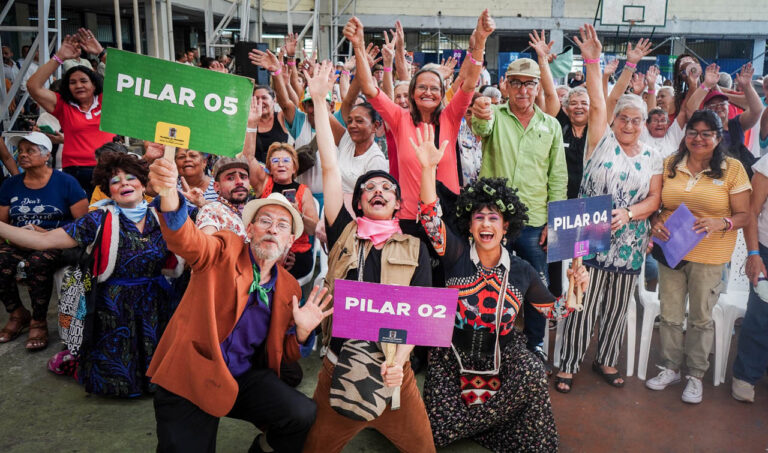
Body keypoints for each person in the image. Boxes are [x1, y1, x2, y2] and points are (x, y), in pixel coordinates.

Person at [414, 124, 588, 451]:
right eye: (478, 218)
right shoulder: (454, 255)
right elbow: (430, 219)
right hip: (452, 360)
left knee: (534, 376)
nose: (485, 224)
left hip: (501, 357)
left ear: (506, 226)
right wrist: (427, 169)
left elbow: (554, 312)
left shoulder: (522, 270)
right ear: (469, 225)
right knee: (431, 437)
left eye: (493, 218)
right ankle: (485, 421)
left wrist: (574, 291)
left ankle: (484, 422)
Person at [146, 156, 330, 453]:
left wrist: (304, 333)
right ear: (250, 229)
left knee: (302, 415)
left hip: (240, 376)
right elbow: (189, 241)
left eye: (282, 225)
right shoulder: (225, 248)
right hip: (191, 374)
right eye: (265, 221)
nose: (272, 229)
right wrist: (169, 194)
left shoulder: (290, 286)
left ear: (290, 240)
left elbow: (288, 351)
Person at [299, 60, 435, 453]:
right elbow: (328, 164)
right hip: (338, 367)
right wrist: (321, 102)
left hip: (395, 373)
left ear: (396, 205)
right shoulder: (343, 231)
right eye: (369, 187)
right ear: (358, 201)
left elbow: (420, 312)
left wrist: (400, 361)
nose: (378, 190)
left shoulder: (415, 247)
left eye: (387, 189)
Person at [0, 149, 185, 395]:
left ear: (143, 184)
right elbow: (44, 241)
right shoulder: (97, 219)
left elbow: (196, 226)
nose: (124, 184)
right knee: (117, 363)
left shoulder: (164, 213)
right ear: (109, 191)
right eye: (115, 181)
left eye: (131, 178)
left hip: (158, 301)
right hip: (113, 305)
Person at [555, 27, 663, 393]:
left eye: (637, 120)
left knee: (617, 307)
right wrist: (592, 60)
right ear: (614, 121)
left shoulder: (653, 156)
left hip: (630, 240)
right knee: (580, 299)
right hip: (587, 231)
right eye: (624, 119)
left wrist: (631, 214)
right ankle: (568, 362)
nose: (629, 125)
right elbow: (599, 100)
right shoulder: (600, 141)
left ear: (645, 125)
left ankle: (606, 359)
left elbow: (654, 199)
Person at [344, 11, 494, 230]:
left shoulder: (450, 118)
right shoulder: (398, 118)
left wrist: (480, 41)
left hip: (447, 218)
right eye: (422, 87)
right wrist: (358, 46)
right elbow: (369, 88)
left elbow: (469, 83)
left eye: (434, 88)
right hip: (409, 218)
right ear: (413, 92)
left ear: (442, 94)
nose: (428, 92)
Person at [471, 29, 565, 367]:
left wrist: (554, 222)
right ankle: (493, 343)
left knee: (536, 287)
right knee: (490, 285)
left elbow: (558, 177)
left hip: (535, 222)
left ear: (538, 88)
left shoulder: (551, 126)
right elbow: (479, 127)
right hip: (493, 221)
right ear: (506, 86)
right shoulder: (494, 116)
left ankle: (536, 343)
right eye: (517, 83)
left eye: (530, 84)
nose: (523, 90)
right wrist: (481, 109)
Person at [647, 109, 751, 404]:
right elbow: (656, 203)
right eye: (693, 132)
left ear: (719, 138)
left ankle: (695, 375)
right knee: (669, 314)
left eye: (707, 133)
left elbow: (745, 215)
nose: (698, 138)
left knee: (701, 318)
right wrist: (654, 221)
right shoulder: (670, 164)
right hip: (670, 250)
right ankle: (669, 368)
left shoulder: (732, 169)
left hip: (710, 255)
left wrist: (722, 222)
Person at [0, 132, 87, 350]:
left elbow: (84, 223)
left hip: (53, 242)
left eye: (30, 150)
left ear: (47, 154)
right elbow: (2, 223)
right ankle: (17, 314)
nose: (23, 155)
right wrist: (17, 237)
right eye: (20, 151)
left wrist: (45, 233)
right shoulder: (10, 185)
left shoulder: (66, 182)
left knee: (38, 262)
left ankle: (38, 321)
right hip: (18, 241)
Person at [26, 30, 112, 196]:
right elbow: (33, 86)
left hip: (108, 169)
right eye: (72, 82)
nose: (78, 85)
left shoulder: (106, 100)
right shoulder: (64, 106)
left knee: (107, 216)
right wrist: (59, 57)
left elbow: (127, 77)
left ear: (94, 84)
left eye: (83, 81)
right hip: (75, 172)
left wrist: (101, 53)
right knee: (78, 218)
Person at [251, 142, 319, 280]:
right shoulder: (263, 183)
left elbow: (314, 229)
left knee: (277, 273)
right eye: (275, 161)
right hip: (265, 246)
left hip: (295, 252)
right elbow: (248, 157)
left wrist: (298, 214)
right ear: (269, 167)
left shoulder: (303, 192)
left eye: (286, 160)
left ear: (294, 168)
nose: (281, 164)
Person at [731, 153, 768, 403]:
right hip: (765, 247)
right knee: (760, 315)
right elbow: (752, 211)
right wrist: (754, 253)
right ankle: (746, 376)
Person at [685, 63, 763, 178]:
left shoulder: (736, 124)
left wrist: (747, 86)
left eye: (722, 103)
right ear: (706, 110)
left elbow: (756, 110)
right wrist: (706, 84)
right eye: (712, 105)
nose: (718, 107)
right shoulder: (702, 126)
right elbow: (690, 108)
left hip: (737, 178)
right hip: (710, 177)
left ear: (728, 106)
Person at [336, 102, 388, 195]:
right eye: (350, 121)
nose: (352, 125)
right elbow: (325, 115)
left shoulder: (376, 160)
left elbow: (372, 197)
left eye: (359, 121)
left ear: (375, 126)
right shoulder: (347, 140)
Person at [196, 156, 251, 238]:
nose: (239, 182)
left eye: (243, 177)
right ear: (216, 186)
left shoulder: (254, 212)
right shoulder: (211, 211)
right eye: (231, 178)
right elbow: (207, 246)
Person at [252, 85, 290, 163]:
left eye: (264, 98)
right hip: (256, 172)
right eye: (256, 98)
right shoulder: (248, 123)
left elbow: (290, 105)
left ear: (274, 100)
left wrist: (278, 76)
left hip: (280, 169)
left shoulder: (281, 117)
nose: (260, 101)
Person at [458, 93, 483, 186]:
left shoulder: (494, 137)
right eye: (469, 112)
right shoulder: (458, 137)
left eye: (477, 113)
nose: (473, 118)